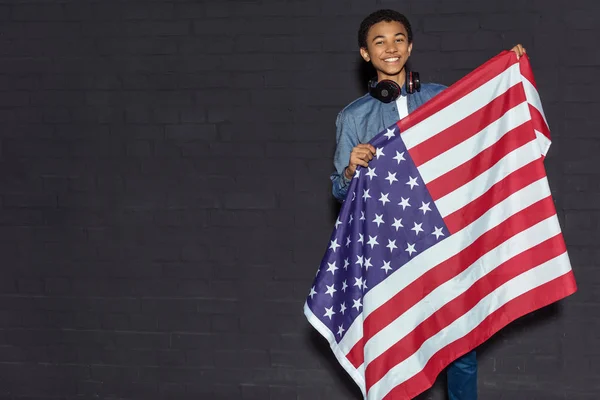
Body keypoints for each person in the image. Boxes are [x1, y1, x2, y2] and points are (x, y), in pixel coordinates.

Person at [328, 9, 526, 400]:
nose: (390, 48)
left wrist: (509, 75)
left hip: (445, 241)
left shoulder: (441, 97)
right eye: (379, 41)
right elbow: (339, 191)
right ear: (365, 54)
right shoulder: (353, 117)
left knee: (460, 347)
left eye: (398, 39)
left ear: (410, 46)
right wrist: (351, 169)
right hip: (392, 251)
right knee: (397, 349)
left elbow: (485, 119)